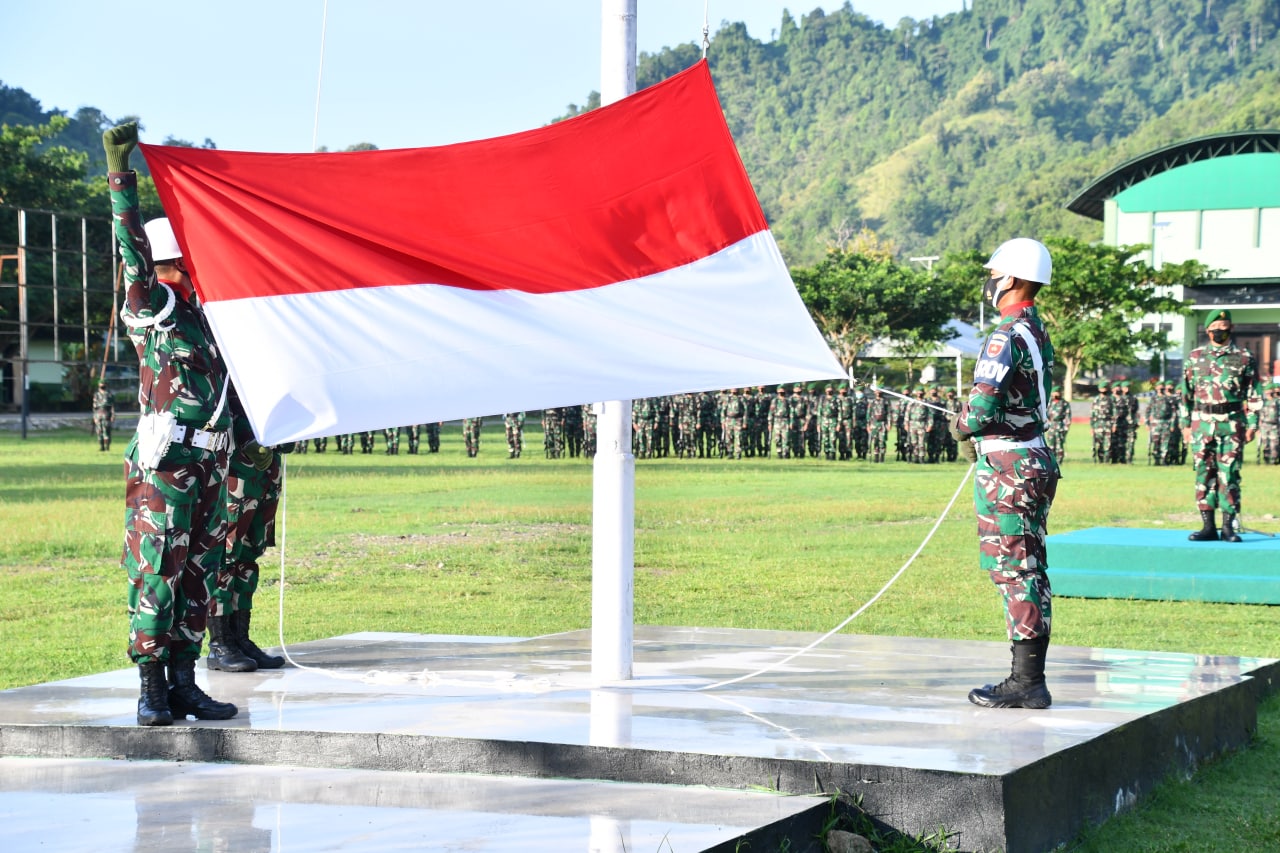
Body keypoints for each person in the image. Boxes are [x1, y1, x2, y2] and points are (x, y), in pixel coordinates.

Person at [104, 122, 239, 725]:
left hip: (210, 460)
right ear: (170, 265)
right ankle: (152, 691)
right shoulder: (152, 310)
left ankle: (185, 683)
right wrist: (121, 177)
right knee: (157, 570)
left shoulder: (210, 319)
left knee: (198, 572)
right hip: (166, 464)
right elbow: (130, 248)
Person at [949, 238, 1059, 710]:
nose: (990, 282)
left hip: (1010, 466)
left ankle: (1026, 682)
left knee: (1017, 569)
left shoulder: (1005, 335)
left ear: (1010, 278)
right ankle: (1028, 677)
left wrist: (960, 425)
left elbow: (981, 409)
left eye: (994, 275)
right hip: (1030, 456)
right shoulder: (1037, 331)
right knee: (1028, 567)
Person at [206, 387, 287, 672]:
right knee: (225, 555)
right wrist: (244, 436)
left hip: (266, 465)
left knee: (249, 555)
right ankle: (220, 642)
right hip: (235, 464)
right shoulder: (226, 355)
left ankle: (240, 638)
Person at [1181, 309, 1261, 543]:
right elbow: (1186, 394)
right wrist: (1185, 425)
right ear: (1207, 331)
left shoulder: (1244, 357)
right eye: (1215, 328)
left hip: (1232, 423)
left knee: (1229, 473)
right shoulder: (1195, 357)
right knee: (1203, 473)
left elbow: (1254, 393)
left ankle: (1228, 527)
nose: (1219, 331)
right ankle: (1208, 526)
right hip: (1201, 424)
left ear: (1231, 329)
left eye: (1223, 327)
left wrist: (1253, 424)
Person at [1046, 387, 1071, 463]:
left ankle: (1059, 461)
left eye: (1057, 392)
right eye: (1054, 393)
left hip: (1060, 426)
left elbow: (1068, 417)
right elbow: (1045, 414)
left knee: (1059, 445)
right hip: (1051, 426)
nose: (1055, 394)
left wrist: (1066, 429)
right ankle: (1051, 461)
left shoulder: (1064, 403)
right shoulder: (1049, 402)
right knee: (1051, 445)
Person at [92, 379, 115, 451]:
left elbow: (112, 406)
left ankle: (107, 447)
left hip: (106, 414)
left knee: (107, 431)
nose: (102, 386)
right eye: (101, 384)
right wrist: (94, 417)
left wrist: (113, 415)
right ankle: (101, 447)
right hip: (98, 415)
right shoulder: (96, 395)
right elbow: (94, 407)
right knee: (99, 431)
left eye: (103, 384)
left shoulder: (109, 395)